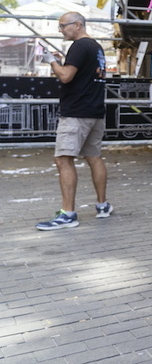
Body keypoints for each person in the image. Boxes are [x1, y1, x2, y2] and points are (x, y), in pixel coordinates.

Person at [36, 12, 112, 230]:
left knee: (63, 159)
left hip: (77, 112)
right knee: (94, 157)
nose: (61, 30)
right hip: (95, 111)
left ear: (78, 25)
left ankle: (68, 214)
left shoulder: (79, 47)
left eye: (63, 26)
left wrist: (51, 61)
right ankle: (102, 205)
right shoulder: (96, 47)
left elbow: (66, 76)